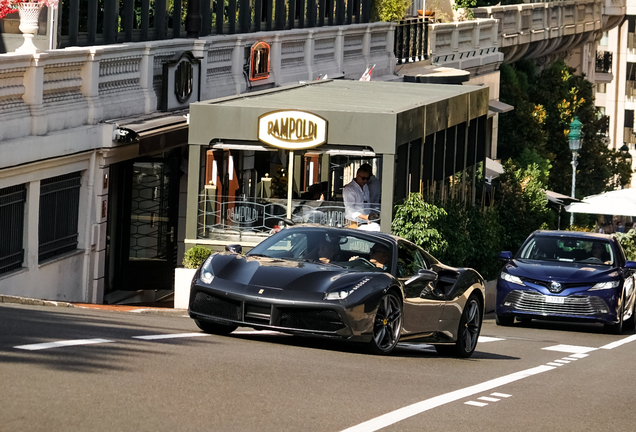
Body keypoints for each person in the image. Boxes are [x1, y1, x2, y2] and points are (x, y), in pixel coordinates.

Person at [343, 165, 379, 231]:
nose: (365, 181)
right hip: (353, 222)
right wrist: (364, 217)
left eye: (367, 179)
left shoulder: (365, 187)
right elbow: (350, 209)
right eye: (363, 178)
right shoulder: (349, 189)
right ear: (357, 176)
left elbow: (368, 203)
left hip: (366, 221)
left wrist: (369, 217)